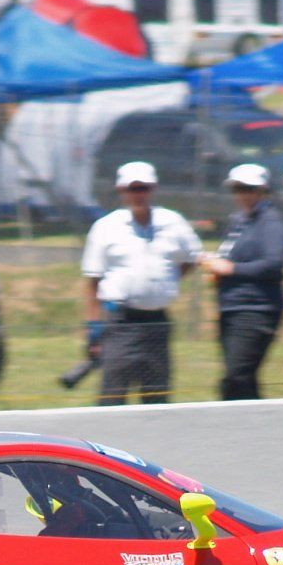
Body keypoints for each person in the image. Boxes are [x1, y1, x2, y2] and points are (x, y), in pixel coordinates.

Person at [80, 161, 201, 405]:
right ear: (121, 191)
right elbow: (92, 281)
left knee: (156, 393)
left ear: (153, 189)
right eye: (132, 189)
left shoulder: (172, 222)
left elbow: (193, 256)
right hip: (121, 321)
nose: (138, 195)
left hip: (157, 321)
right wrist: (93, 328)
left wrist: (171, 277)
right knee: (113, 392)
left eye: (143, 188)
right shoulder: (106, 228)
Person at [198, 163, 283, 400]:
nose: (243, 194)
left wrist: (230, 268)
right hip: (231, 307)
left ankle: (239, 422)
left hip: (256, 309)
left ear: (262, 190)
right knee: (242, 377)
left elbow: (273, 264)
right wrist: (216, 265)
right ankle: (253, 425)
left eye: (249, 189)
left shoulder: (271, 221)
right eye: (238, 189)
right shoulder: (238, 221)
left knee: (236, 375)